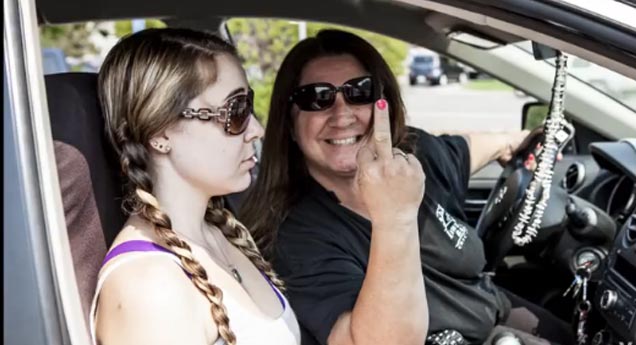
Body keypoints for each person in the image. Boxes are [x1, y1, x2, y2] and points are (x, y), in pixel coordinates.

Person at [241, 29, 574, 345]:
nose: (342, 114)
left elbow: (467, 149)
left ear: (382, 102)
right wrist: (394, 214)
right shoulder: (295, 235)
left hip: (491, 312)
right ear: (290, 124)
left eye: (360, 92)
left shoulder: (418, 156)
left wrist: (511, 143)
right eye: (317, 98)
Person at [91, 28, 300, 345]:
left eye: (250, 107)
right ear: (160, 133)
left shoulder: (218, 233)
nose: (256, 129)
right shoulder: (150, 287)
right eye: (236, 111)